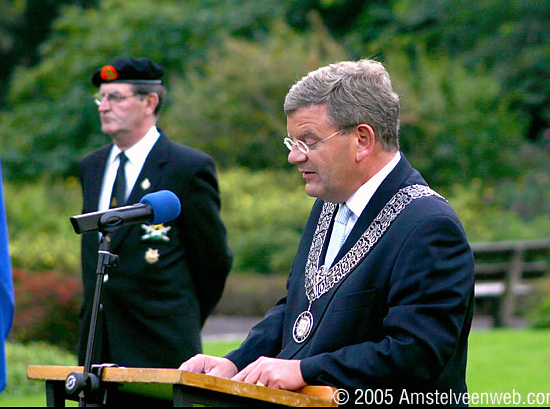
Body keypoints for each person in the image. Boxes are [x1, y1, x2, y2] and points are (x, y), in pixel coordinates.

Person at [179, 59, 474, 405]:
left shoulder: (428, 224)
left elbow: (418, 351)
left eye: (308, 140)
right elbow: (298, 307)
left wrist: (305, 370)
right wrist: (235, 362)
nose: (293, 156)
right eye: (292, 141)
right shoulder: (330, 202)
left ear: (362, 139)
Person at [77, 57, 232, 371]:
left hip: (161, 346)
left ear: (149, 102)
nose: (103, 107)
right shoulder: (91, 166)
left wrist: (179, 317)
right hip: (98, 345)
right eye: (101, 98)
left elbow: (213, 260)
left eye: (115, 98)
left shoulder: (186, 167)